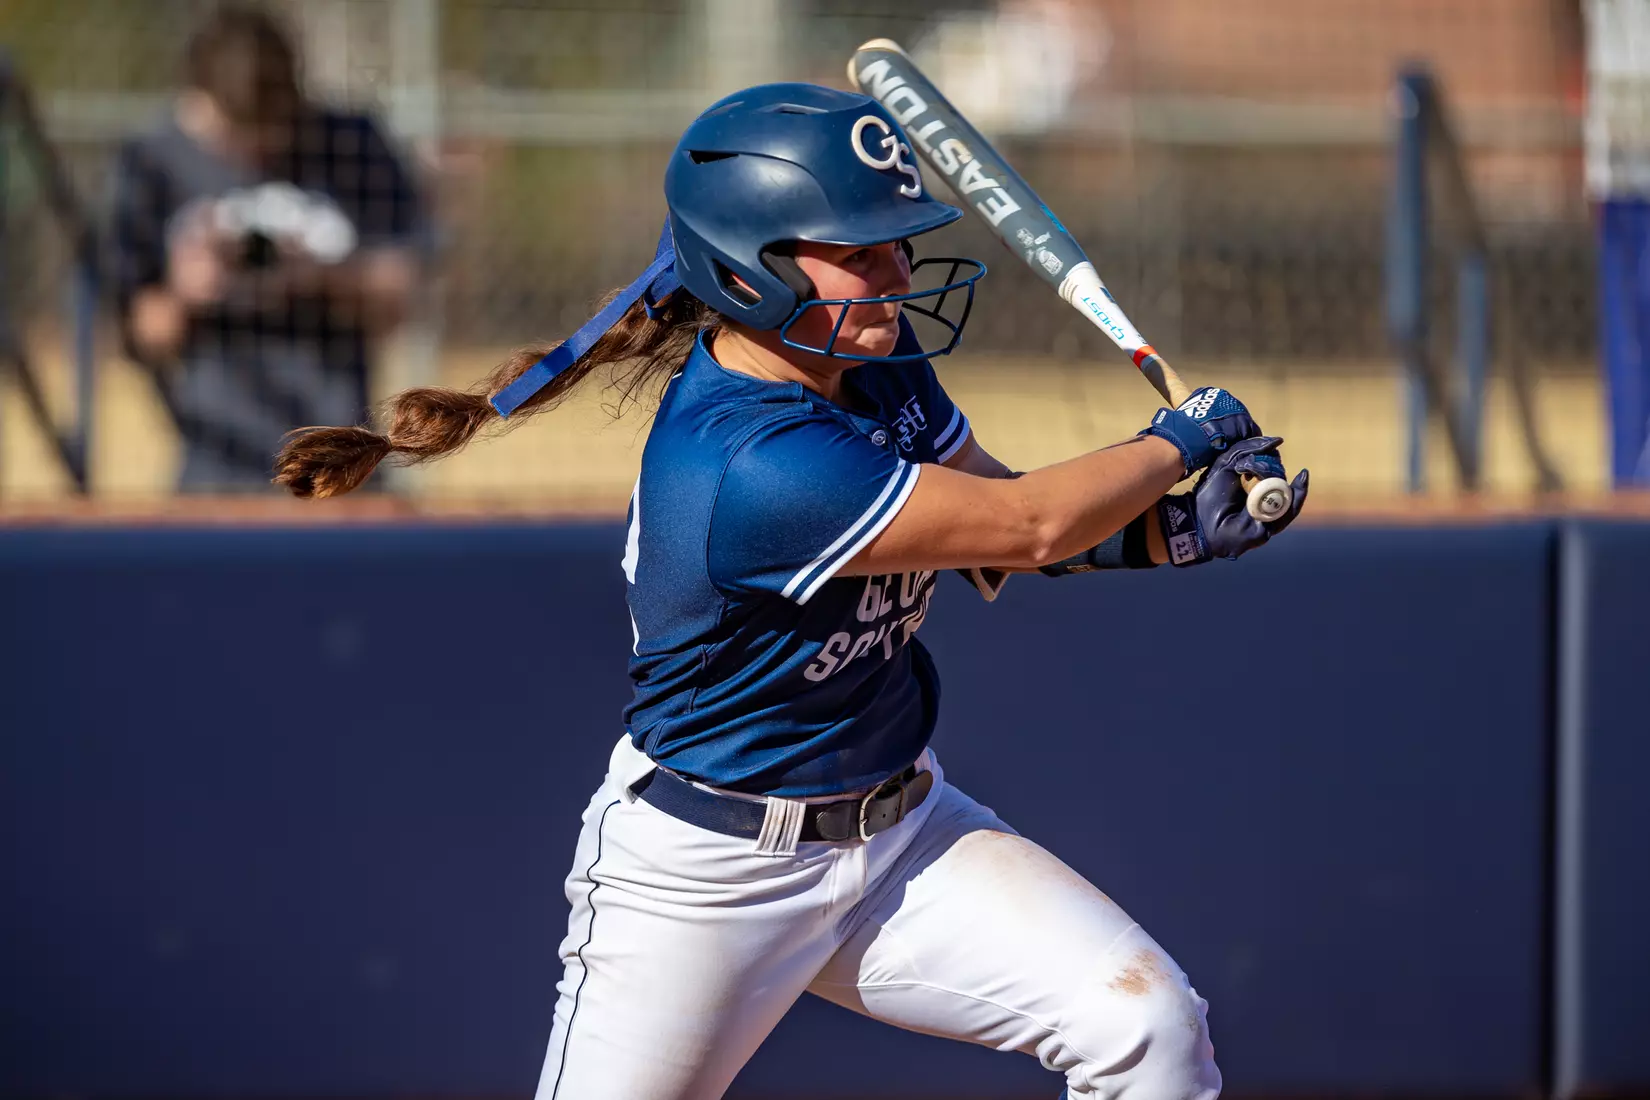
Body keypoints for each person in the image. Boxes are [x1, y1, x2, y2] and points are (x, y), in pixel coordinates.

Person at [274, 84, 1308, 1100]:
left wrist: (1169, 530)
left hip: (905, 837)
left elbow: (992, 534)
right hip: (703, 875)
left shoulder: (872, 357)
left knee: (1148, 1027)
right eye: (858, 253)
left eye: (895, 242)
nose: (896, 273)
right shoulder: (746, 461)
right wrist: (1180, 436)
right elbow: (1029, 522)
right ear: (749, 269)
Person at [110, 4, 425, 491]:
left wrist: (321, 275)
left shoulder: (350, 146)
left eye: (271, 129)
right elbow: (135, 332)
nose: (255, 151)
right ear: (199, 103)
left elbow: (400, 301)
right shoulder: (153, 165)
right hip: (215, 469)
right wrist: (185, 292)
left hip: (338, 461)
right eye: (236, 135)